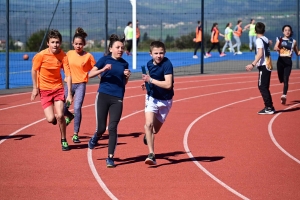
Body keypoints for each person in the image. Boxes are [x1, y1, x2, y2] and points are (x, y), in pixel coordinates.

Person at [88, 34, 131, 168]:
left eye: (122, 48)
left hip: (117, 97)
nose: (120, 50)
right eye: (117, 47)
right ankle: (96, 137)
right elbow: (89, 75)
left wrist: (127, 77)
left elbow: (123, 83)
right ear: (111, 48)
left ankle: (110, 157)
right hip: (103, 96)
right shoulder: (104, 60)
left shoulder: (124, 63)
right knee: (101, 128)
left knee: (112, 127)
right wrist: (103, 69)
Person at [31, 29, 73, 151]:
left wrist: (69, 93)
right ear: (48, 43)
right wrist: (35, 88)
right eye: (53, 42)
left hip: (58, 89)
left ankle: (64, 140)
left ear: (60, 43)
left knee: (60, 115)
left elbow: (68, 74)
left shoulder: (63, 56)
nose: (55, 44)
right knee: (50, 119)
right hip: (44, 91)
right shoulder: (41, 56)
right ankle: (58, 120)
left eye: (57, 42)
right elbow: (34, 70)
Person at [141, 41, 174, 165]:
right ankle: (151, 155)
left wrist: (151, 80)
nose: (158, 55)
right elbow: (150, 77)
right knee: (148, 125)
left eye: (161, 53)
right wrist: (146, 83)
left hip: (165, 101)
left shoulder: (167, 64)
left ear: (164, 53)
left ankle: (148, 136)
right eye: (156, 53)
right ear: (150, 54)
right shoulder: (149, 64)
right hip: (152, 98)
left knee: (155, 130)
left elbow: (168, 84)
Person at [64, 27, 96, 143]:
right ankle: (69, 116)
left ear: (84, 44)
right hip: (69, 84)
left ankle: (75, 134)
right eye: (76, 44)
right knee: (62, 108)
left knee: (77, 107)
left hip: (81, 85)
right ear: (73, 44)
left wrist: (102, 78)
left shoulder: (88, 56)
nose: (78, 46)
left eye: (80, 44)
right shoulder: (68, 54)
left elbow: (95, 69)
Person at [245, 22, 275, 114]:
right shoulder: (265, 38)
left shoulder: (258, 40)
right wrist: (269, 42)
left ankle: (269, 107)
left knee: (262, 86)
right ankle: (270, 106)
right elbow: (267, 44)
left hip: (264, 65)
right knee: (264, 86)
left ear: (255, 31)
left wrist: (252, 64)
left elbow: (260, 53)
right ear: (264, 31)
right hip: (268, 64)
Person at [273, 25, 300, 104]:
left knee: (286, 79)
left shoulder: (293, 41)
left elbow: (297, 52)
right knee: (281, 79)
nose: (287, 31)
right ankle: (283, 85)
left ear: (291, 32)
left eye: (289, 30)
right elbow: (275, 47)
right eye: (285, 30)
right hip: (280, 61)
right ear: (283, 31)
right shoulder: (279, 39)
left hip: (288, 61)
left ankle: (284, 95)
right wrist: (276, 48)